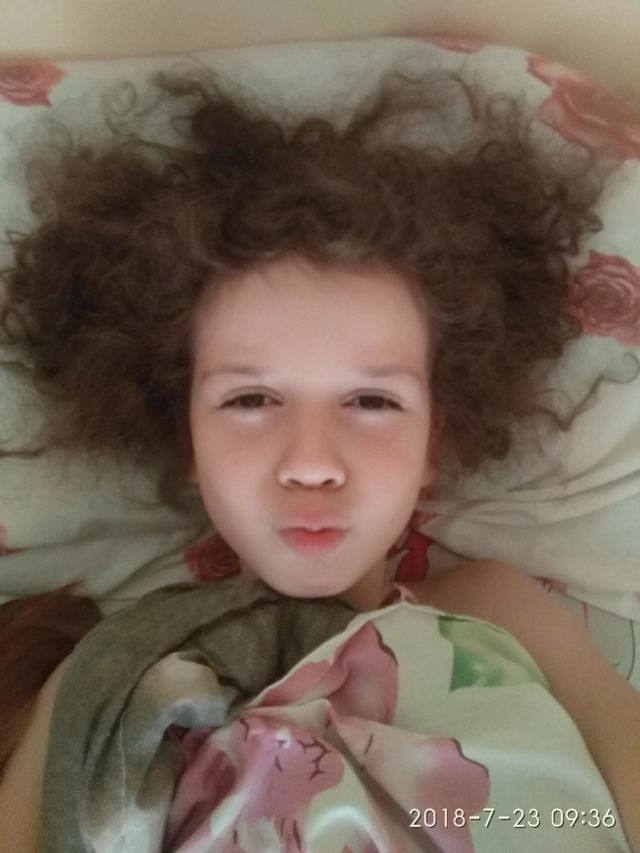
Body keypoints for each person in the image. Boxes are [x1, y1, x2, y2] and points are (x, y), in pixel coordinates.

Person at [0, 66, 638, 850]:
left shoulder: (501, 610)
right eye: (250, 399)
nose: (311, 462)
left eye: (371, 400)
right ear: (188, 441)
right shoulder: (109, 676)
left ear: (433, 440)